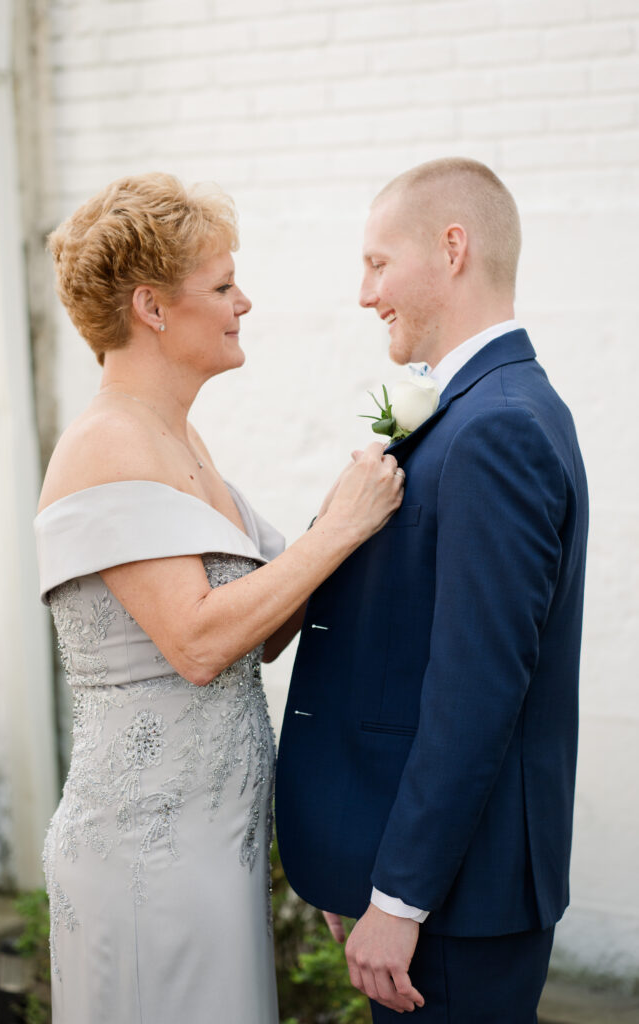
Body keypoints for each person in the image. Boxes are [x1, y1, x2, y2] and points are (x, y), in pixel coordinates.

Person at [34, 172, 404, 1024]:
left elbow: (271, 622)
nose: (245, 301)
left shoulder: (181, 438)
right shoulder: (105, 446)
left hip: (217, 845)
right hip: (144, 853)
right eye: (223, 285)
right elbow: (199, 645)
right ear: (152, 308)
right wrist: (337, 529)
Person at [275, 157, 589, 1022]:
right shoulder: (475, 409)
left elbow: (477, 688)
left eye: (378, 263)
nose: (365, 294)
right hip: (431, 881)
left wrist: (399, 898)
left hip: (454, 899)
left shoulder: (498, 429)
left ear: (452, 249)